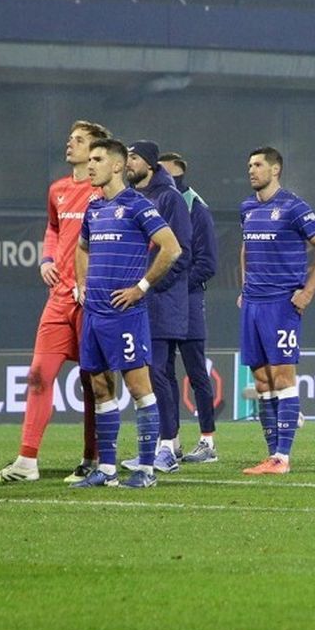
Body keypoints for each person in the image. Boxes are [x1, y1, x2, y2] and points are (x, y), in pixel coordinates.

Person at [0, 120, 110, 483]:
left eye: (79, 140)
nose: (70, 144)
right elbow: (53, 228)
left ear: (96, 152)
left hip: (91, 301)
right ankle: (27, 461)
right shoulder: (57, 190)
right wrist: (46, 259)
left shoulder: (105, 193)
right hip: (58, 299)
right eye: (70, 139)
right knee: (39, 376)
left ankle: (93, 458)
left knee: (95, 383)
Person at [70, 139, 183, 488]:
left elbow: (171, 248)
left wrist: (141, 288)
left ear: (117, 166)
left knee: (139, 389)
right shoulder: (93, 208)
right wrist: (81, 284)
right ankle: (106, 470)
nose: (90, 165)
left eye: (98, 159)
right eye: (89, 159)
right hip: (95, 313)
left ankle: (146, 470)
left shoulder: (137, 205)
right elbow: (81, 248)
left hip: (125, 313)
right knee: (100, 388)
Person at [239, 146, 315, 475]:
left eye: (258, 165)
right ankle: (272, 455)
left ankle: (283, 457)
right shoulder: (247, 207)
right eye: (249, 165)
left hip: (281, 304)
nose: (251, 170)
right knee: (262, 381)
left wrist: (308, 291)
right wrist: (244, 287)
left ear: (275, 170)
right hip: (252, 303)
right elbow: (246, 248)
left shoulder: (294, 207)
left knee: (283, 377)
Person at [124, 140, 192, 473]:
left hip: (161, 302)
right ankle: (153, 448)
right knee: (146, 375)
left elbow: (182, 253)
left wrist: (150, 285)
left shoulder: (170, 198)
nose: (128, 163)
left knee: (159, 373)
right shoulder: (131, 197)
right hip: (137, 300)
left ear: (150, 164)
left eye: (134, 157)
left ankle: (167, 446)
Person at [158, 152, 220, 463]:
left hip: (189, 299)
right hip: (165, 298)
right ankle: (171, 441)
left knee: (196, 372)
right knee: (163, 370)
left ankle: (208, 442)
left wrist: (178, 285)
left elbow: (208, 263)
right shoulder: (159, 202)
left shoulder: (196, 206)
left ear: (179, 173)